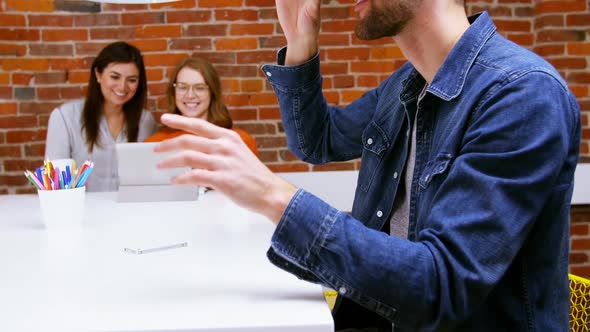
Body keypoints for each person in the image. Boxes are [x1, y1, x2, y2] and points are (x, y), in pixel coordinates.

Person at [154, 0, 581, 330]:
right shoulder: (406, 85)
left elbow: (441, 285)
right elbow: (318, 140)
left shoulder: (522, 95)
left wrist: (272, 196)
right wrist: (299, 41)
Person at [45, 41, 157, 192]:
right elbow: (55, 183)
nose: (122, 86)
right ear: (98, 75)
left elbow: (149, 178)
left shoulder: (145, 121)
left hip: (129, 212)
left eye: (132, 80)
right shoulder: (65, 117)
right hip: (81, 211)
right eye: (115, 77)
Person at [144, 58, 258, 156]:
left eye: (199, 88)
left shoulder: (240, 141)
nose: (190, 95)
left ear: (212, 92)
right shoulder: (154, 145)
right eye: (183, 87)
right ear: (174, 92)